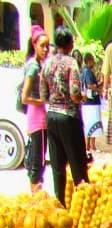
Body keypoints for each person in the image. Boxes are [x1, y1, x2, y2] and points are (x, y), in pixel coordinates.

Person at [40, 26, 89, 205]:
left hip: (51, 116)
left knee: (57, 166)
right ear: (69, 44)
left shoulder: (47, 63)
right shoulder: (71, 63)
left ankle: (60, 203)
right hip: (69, 117)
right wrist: (82, 98)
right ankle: (83, 204)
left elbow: (43, 95)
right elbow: (75, 92)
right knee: (77, 165)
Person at [20, 26, 49, 193]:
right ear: (34, 45)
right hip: (37, 119)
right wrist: (42, 101)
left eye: (47, 46)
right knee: (37, 160)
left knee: (39, 159)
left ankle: (36, 193)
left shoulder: (38, 64)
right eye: (42, 45)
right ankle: (35, 196)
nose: (45, 49)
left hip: (39, 118)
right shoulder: (33, 67)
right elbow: (25, 97)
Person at [80, 52, 102, 160]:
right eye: (92, 60)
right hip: (91, 102)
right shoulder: (88, 72)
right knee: (93, 124)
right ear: (89, 61)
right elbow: (89, 85)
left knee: (89, 125)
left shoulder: (84, 71)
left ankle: (89, 145)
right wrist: (99, 89)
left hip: (87, 102)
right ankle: (91, 145)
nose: (94, 62)